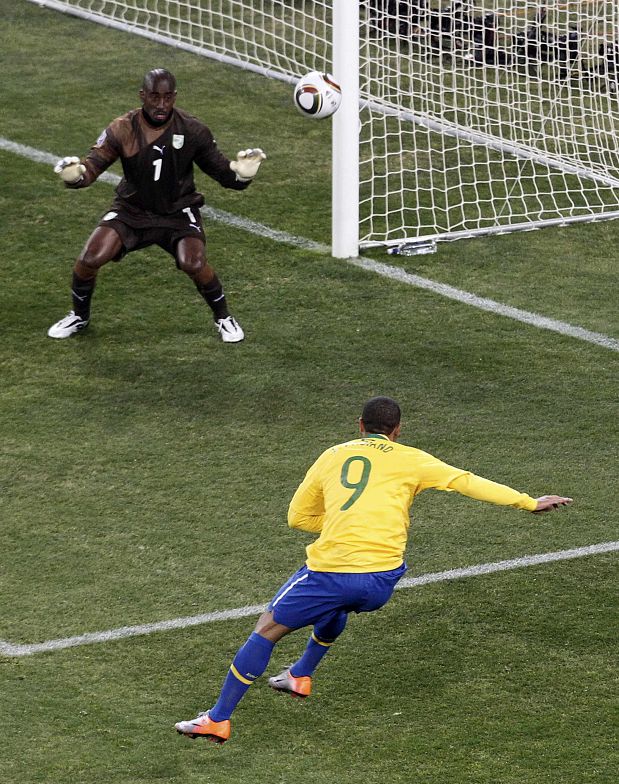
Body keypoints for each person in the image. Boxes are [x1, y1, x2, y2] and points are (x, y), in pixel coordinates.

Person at [175, 396, 572, 744]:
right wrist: (528, 502)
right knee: (338, 607)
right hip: (383, 580)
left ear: (360, 426)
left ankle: (218, 720)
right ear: (396, 431)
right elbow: (466, 481)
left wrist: (338, 523)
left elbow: (297, 517)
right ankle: (300, 675)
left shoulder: (332, 455)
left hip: (331, 572)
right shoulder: (414, 459)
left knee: (266, 629)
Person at [48, 68, 266, 343]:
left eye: (167, 97)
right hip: (132, 210)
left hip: (177, 210)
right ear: (143, 96)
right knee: (89, 258)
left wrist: (242, 174)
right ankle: (79, 316)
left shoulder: (193, 130)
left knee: (194, 262)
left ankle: (223, 317)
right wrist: (76, 176)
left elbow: (224, 174)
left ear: (174, 96)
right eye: (154, 97)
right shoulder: (123, 128)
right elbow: (93, 166)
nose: (161, 105)